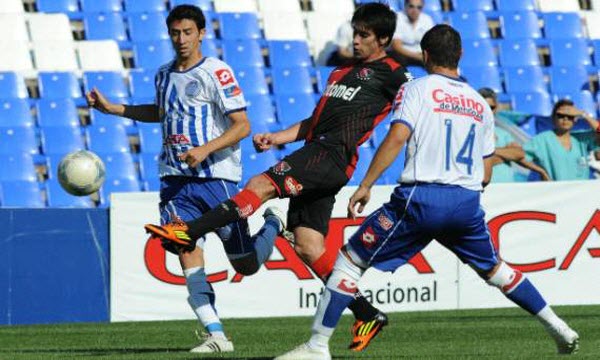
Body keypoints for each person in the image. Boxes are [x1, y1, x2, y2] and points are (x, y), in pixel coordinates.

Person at [275, 24, 580, 360]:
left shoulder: (418, 89)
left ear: (425, 56)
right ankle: (559, 328)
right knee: (497, 270)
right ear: (460, 56)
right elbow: (486, 168)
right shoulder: (480, 103)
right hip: (465, 202)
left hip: (421, 199)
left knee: (348, 262)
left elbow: (397, 136)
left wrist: (366, 185)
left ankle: (317, 347)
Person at [145, 2, 413, 352]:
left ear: (384, 39)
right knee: (308, 245)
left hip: (331, 155)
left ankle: (188, 231)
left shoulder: (395, 73)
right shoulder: (340, 74)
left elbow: (416, 107)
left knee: (259, 185)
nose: (357, 40)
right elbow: (313, 124)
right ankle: (366, 313)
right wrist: (277, 137)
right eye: (355, 32)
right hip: (320, 152)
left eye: (364, 35)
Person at [86, 5, 286, 354]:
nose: (181, 39)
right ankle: (216, 335)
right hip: (176, 180)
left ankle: (273, 223)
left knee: (246, 264)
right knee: (184, 247)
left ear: (201, 33)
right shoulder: (163, 74)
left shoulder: (217, 72)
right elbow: (160, 113)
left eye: (188, 32)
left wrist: (205, 149)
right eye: (175, 33)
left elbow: (243, 125)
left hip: (216, 179)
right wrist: (115, 109)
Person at [478, 88, 551, 182]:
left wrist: (490, 152)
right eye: (484, 107)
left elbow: (519, 154)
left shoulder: (503, 133)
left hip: (508, 189)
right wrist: (507, 154)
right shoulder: (470, 132)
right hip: (484, 188)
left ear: (496, 108)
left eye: (491, 107)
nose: (488, 111)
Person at [524, 99, 600, 181]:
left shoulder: (583, 138)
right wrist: (541, 171)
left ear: (575, 119)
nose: (565, 119)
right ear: (553, 118)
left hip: (581, 192)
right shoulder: (541, 140)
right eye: (560, 115)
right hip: (556, 192)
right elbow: (518, 155)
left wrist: (584, 114)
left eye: (570, 116)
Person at [390, 0, 434, 66]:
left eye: (419, 7)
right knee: (398, 59)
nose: (415, 10)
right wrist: (418, 57)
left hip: (420, 54)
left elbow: (431, 43)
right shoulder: (397, 18)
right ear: (405, 6)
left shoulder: (427, 19)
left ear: (423, 8)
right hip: (402, 55)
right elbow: (396, 47)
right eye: (411, 6)